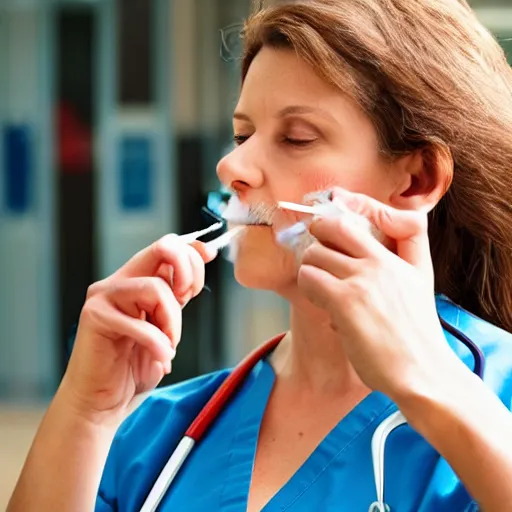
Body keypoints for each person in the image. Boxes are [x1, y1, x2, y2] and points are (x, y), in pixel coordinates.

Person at [8, 0, 512, 510]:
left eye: (296, 138)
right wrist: (84, 410)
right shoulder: (157, 436)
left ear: (416, 180)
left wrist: (432, 381)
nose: (233, 166)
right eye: (242, 135)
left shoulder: (496, 396)